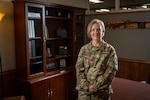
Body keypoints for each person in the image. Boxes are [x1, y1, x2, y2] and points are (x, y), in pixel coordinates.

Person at [75, 19, 118, 100]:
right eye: (93, 30)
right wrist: (87, 87)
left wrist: (96, 86)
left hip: (101, 92)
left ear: (103, 32)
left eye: (99, 29)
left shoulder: (110, 50)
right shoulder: (84, 49)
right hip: (84, 92)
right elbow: (79, 69)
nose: (96, 32)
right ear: (90, 32)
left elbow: (111, 70)